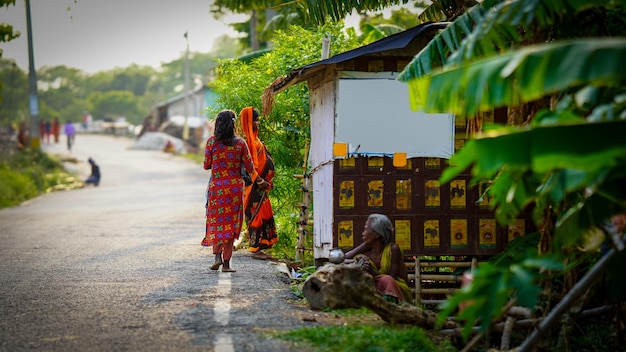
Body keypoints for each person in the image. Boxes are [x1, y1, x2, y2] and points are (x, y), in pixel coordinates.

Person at [202, 109, 266, 273]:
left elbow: (206, 165)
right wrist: (260, 181)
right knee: (231, 224)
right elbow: (250, 167)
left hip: (217, 189)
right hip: (235, 189)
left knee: (217, 221)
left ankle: (217, 257)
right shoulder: (240, 143)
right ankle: (227, 264)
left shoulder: (211, 142)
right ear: (233, 124)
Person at [344, 213, 412, 304]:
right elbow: (342, 260)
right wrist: (362, 247)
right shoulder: (366, 250)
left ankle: (391, 304)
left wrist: (372, 272)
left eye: (366, 229)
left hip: (394, 289)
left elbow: (392, 278)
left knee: (386, 280)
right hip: (374, 288)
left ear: (377, 235)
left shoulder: (393, 249)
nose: (363, 233)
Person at [240, 107, 278, 256]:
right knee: (255, 214)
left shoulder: (254, 139)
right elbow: (249, 166)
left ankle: (261, 246)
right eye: (256, 120)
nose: (258, 123)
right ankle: (255, 247)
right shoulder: (246, 141)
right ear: (249, 122)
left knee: (262, 213)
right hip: (254, 186)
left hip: (261, 186)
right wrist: (260, 180)